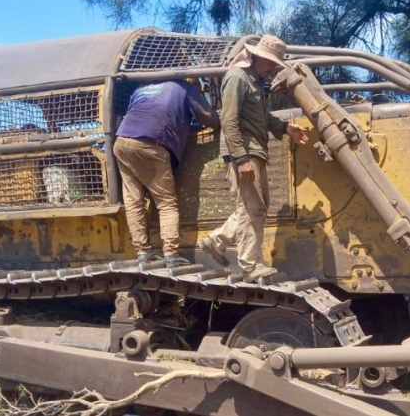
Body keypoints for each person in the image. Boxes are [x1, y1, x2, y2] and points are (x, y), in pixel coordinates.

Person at [198, 35, 308, 281]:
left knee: (254, 207)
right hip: (245, 153)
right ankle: (249, 264)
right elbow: (228, 120)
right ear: (258, 57)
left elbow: (263, 117)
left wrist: (286, 128)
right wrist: (241, 158)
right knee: (252, 209)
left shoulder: (254, 82)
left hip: (255, 151)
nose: (272, 70)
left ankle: (216, 241)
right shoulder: (237, 77)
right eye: (271, 63)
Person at [114, 79, 220, 267]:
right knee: (166, 202)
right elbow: (208, 118)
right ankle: (171, 253)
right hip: (151, 145)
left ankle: (143, 252)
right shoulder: (186, 87)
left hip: (122, 141)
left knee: (133, 200)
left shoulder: (142, 86)